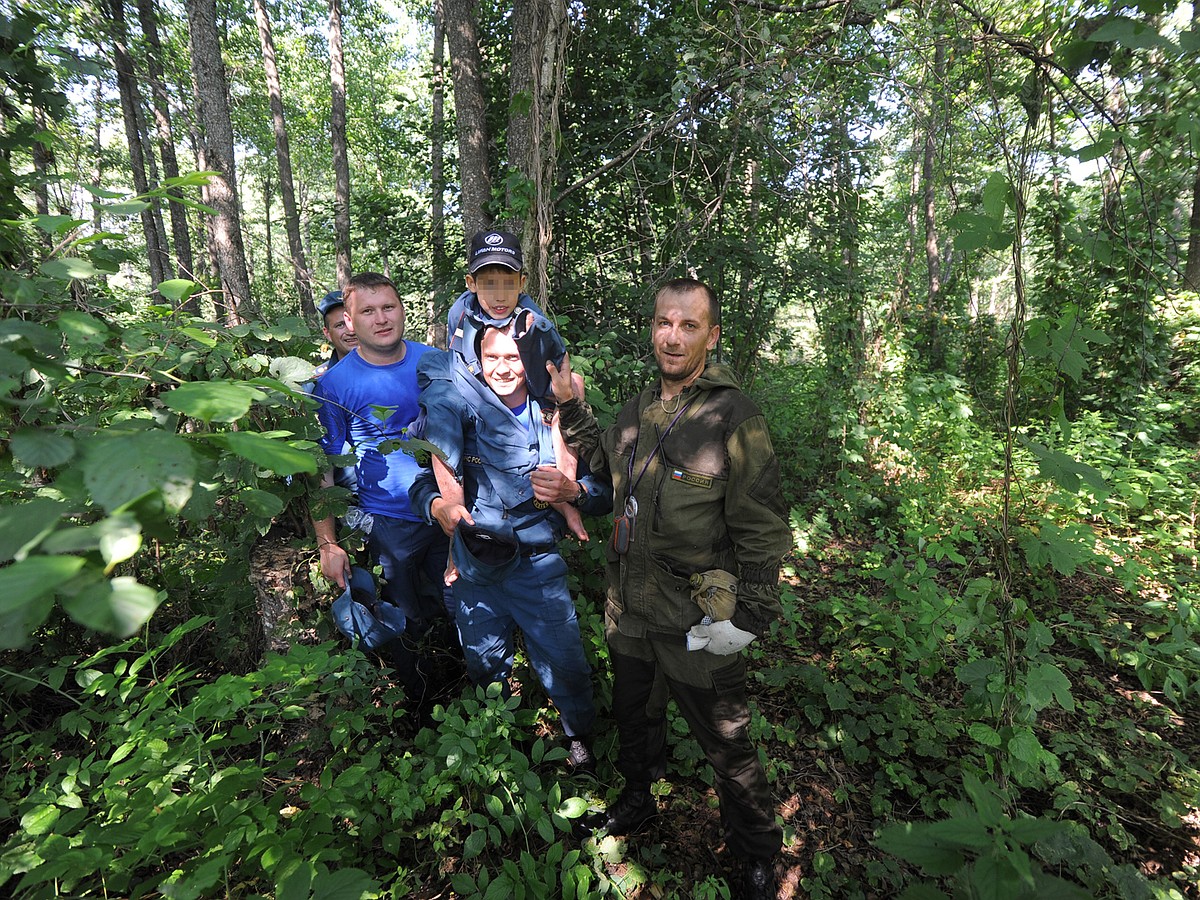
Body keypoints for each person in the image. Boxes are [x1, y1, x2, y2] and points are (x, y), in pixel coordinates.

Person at [549, 278, 790, 900]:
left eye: (688, 325)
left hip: (696, 616)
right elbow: (600, 468)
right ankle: (639, 798)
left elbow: (762, 525)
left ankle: (759, 853)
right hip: (629, 608)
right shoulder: (634, 412)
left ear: (712, 335)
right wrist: (570, 407)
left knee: (726, 741)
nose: (673, 336)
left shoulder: (734, 416)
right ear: (652, 328)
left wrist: (752, 613)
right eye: (664, 323)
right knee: (635, 717)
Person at [409, 323, 611, 774]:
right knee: (484, 662)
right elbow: (424, 483)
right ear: (477, 362)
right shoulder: (459, 412)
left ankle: (579, 737)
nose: (503, 368)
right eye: (492, 358)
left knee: (565, 660)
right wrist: (438, 505)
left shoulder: (551, 413)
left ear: (531, 362)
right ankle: (501, 741)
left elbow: (603, 492)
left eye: (514, 357)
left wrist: (570, 489)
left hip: (537, 567)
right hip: (476, 568)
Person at [310, 272, 457, 712]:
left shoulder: (438, 362)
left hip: (450, 512)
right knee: (404, 620)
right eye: (367, 311)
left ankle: (473, 699)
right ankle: (420, 707)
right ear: (350, 322)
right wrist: (327, 542)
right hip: (389, 522)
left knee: (460, 608)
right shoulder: (334, 386)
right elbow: (324, 470)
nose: (381, 319)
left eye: (388, 307)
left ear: (403, 309)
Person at [441, 228, 588, 542]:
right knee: (437, 404)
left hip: (530, 385)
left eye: (508, 284)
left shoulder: (532, 318)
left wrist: (558, 398)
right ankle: (453, 512)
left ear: (522, 283)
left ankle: (563, 492)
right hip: (477, 386)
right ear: (470, 284)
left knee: (573, 388)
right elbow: (456, 355)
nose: (498, 295)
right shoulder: (461, 311)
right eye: (488, 284)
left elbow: (558, 365)